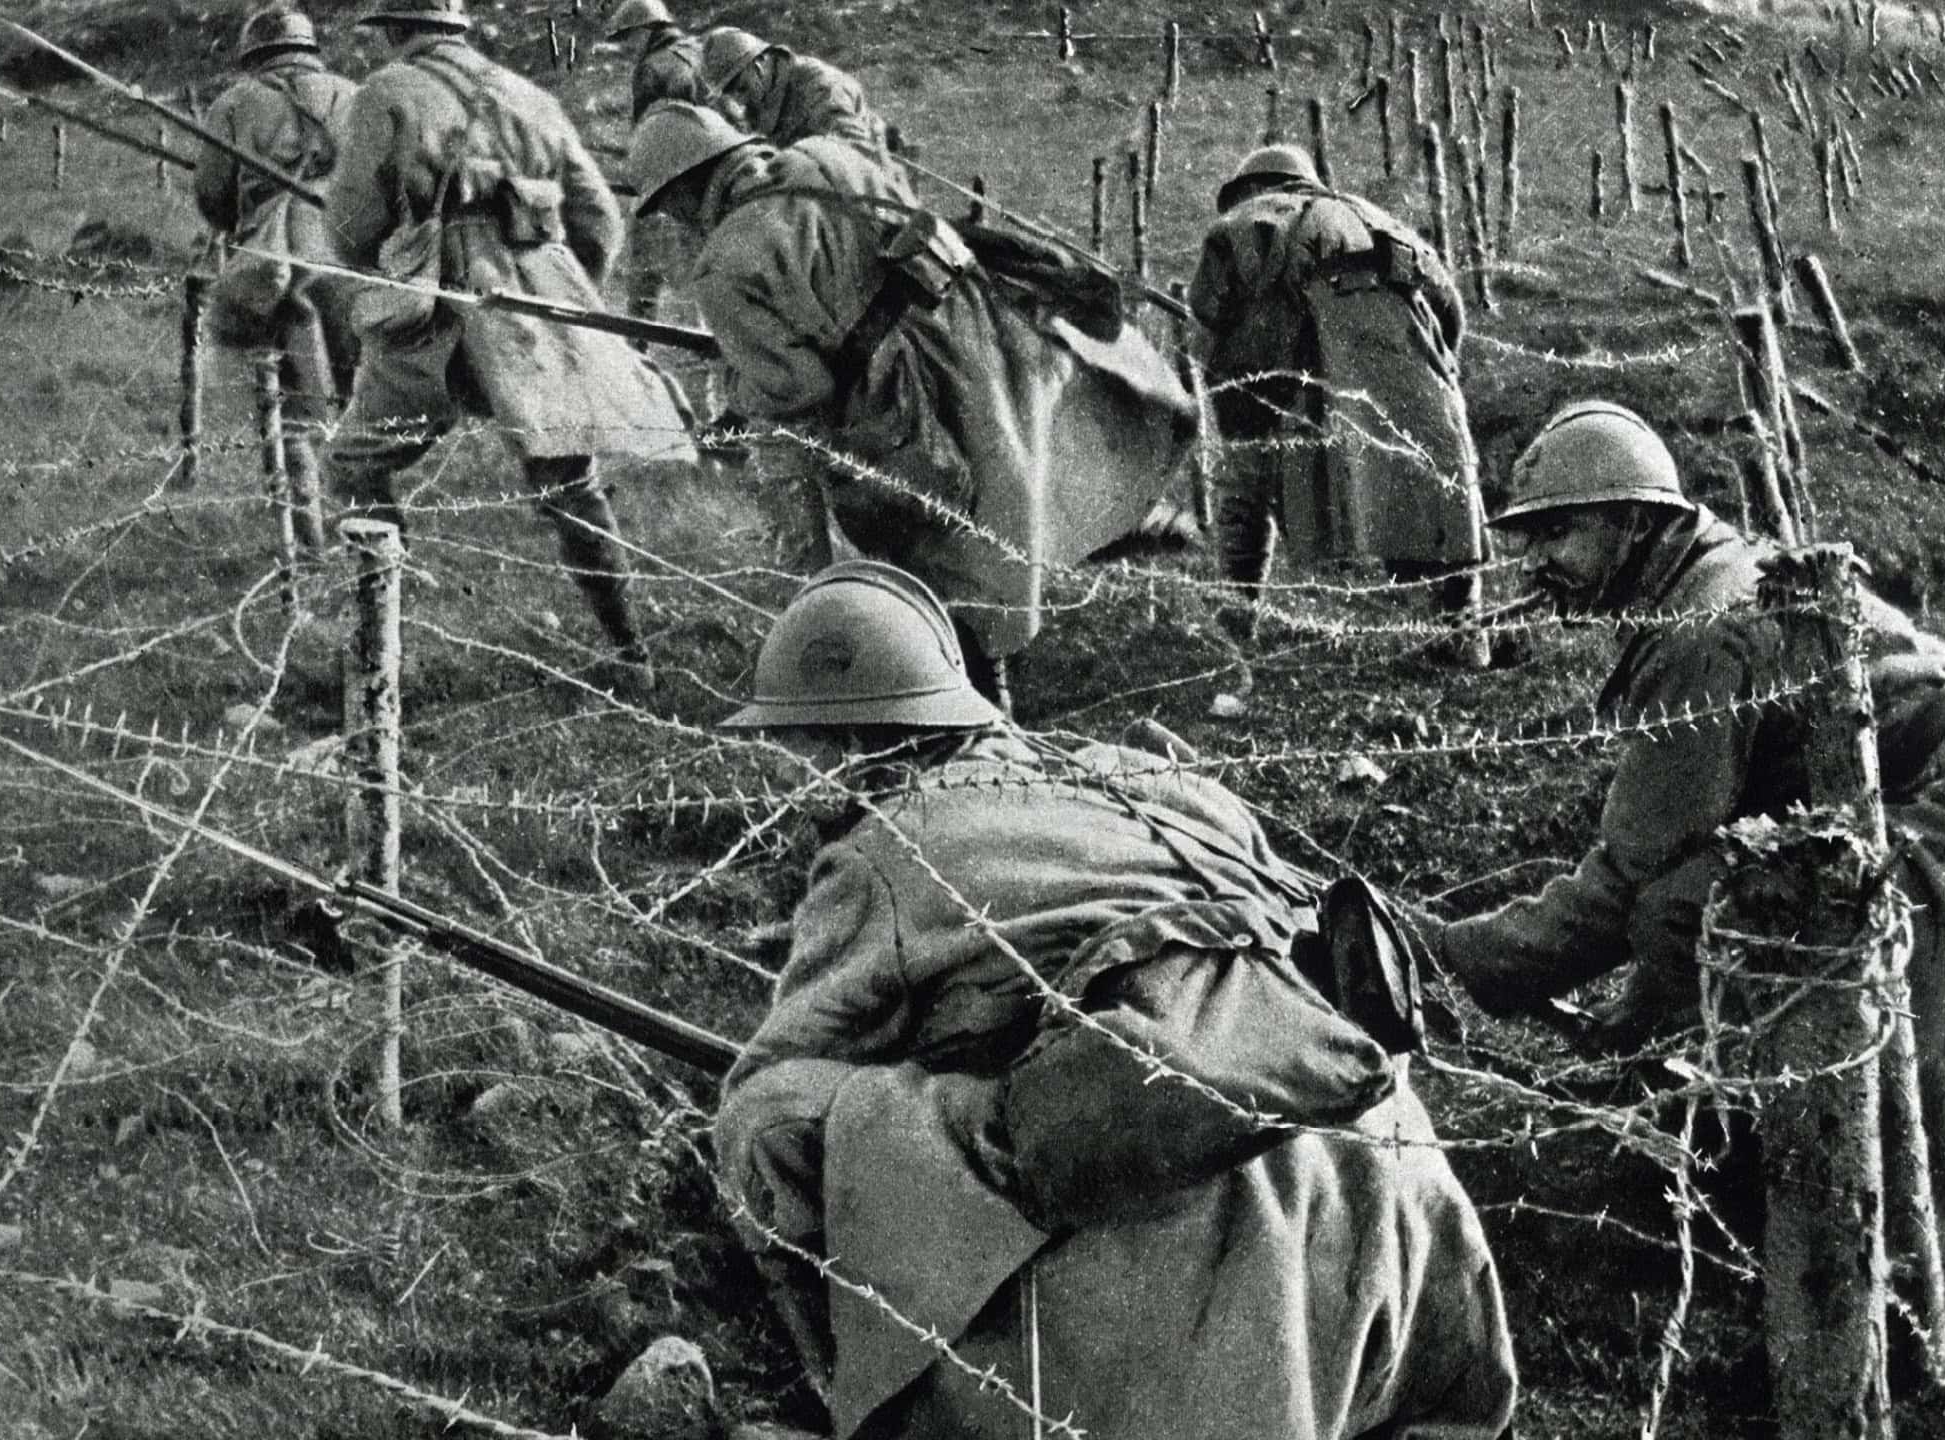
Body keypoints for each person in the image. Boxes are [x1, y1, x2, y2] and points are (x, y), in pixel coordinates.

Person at [712, 559, 1519, 1439]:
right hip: (1387, 1179)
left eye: (794, 752)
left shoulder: (881, 853)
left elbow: (777, 1077)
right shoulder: (1144, 775)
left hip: (1225, 1225)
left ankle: (883, 1397)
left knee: (765, 1118)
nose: (788, 780)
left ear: (841, 752)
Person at [1434, 400, 1945, 1275]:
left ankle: (1845, 1190)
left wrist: (1460, 955)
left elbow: (1622, 887)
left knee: (1702, 919)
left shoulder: (1697, 636)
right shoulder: (1705, 572)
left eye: (1560, 533)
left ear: (1636, 524)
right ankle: (1788, 1136)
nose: (1539, 562)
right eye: (1530, 538)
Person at [623, 100, 1201, 712]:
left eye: (671, 206)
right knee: (1024, 476)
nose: (678, 221)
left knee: (942, 539)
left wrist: (744, 400)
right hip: (977, 330)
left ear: (687, 191)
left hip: (898, 393)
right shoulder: (830, 155)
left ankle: (979, 704)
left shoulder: (725, 266)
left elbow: (799, 392)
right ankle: (1129, 525)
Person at [323, 0, 699, 683]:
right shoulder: (530, 95)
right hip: (536, 312)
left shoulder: (385, 93)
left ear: (399, 30)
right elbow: (601, 222)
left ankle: (381, 648)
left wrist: (394, 261)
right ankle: (632, 653)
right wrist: (558, 290)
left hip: (436, 318)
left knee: (353, 464)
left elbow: (350, 228)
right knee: (570, 485)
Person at [1187, 144, 1488, 654]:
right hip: (1408, 366)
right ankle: (1464, 631)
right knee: (1442, 490)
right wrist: (1434, 372)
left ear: (1252, 188)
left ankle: (1235, 625)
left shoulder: (1242, 222)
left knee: (1245, 482)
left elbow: (1206, 308)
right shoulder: (1376, 217)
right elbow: (1449, 306)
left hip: (1294, 379)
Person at [196, 8, 362, 504]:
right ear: (308, 48)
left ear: (254, 54)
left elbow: (212, 197)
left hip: (277, 261)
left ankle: (307, 542)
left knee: (294, 404)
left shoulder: (233, 103)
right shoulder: (352, 96)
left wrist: (250, 211)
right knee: (358, 401)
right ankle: (364, 526)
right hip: (351, 258)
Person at [603, 0, 712, 331]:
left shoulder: (651, 68)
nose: (625, 49)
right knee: (700, 277)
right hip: (707, 182)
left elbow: (646, 135)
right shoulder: (699, 51)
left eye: (628, 38)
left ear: (646, 29)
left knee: (643, 275)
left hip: (666, 182)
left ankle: (637, 345)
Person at [697, 27, 896, 165]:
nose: (739, 101)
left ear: (758, 65)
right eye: (729, 94)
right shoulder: (758, 101)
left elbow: (857, 156)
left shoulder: (820, 88)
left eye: (741, 88)